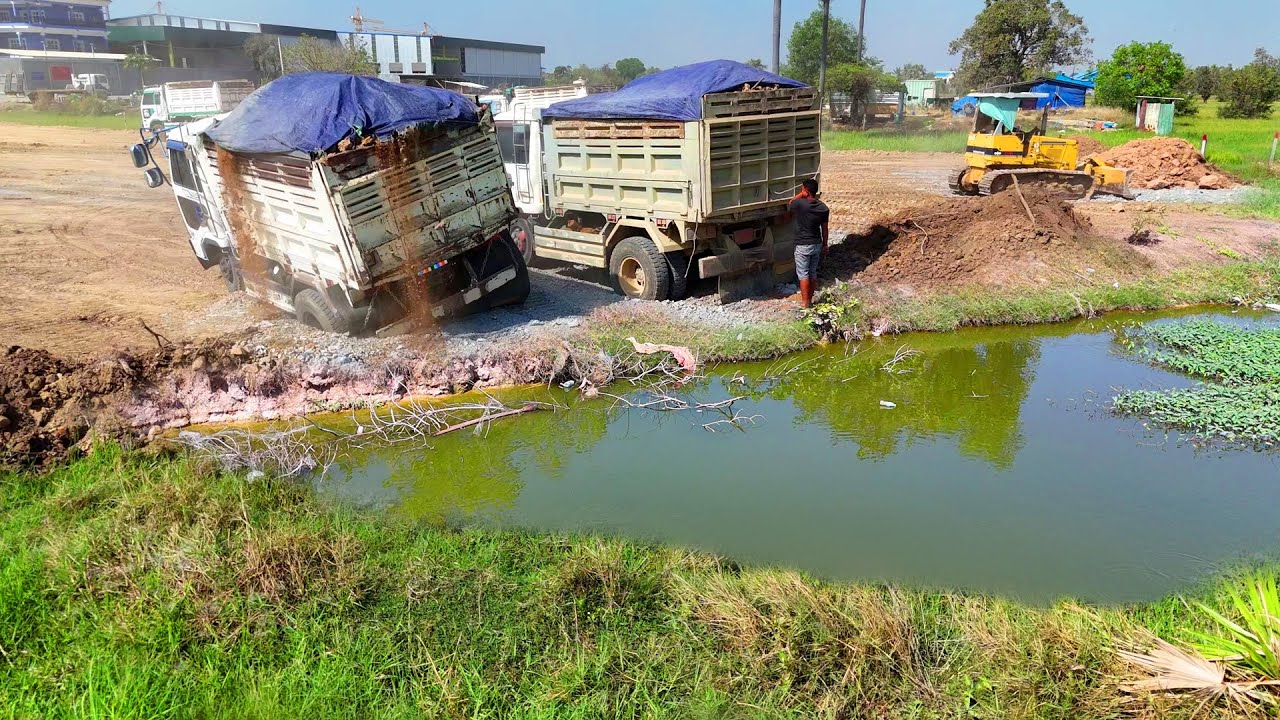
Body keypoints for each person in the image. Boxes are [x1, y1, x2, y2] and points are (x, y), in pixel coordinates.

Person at [789, 178, 829, 308]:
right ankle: (810, 301)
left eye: (802, 189)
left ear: (806, 191)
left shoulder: (800, 204)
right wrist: (825, 244)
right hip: (816, 244)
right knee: (812, 272)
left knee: (803, 274)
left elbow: (791, 202)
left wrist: (802, 194)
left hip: (802, 245)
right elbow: (825, 229)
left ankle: (805, 303)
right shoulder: (823, 208)